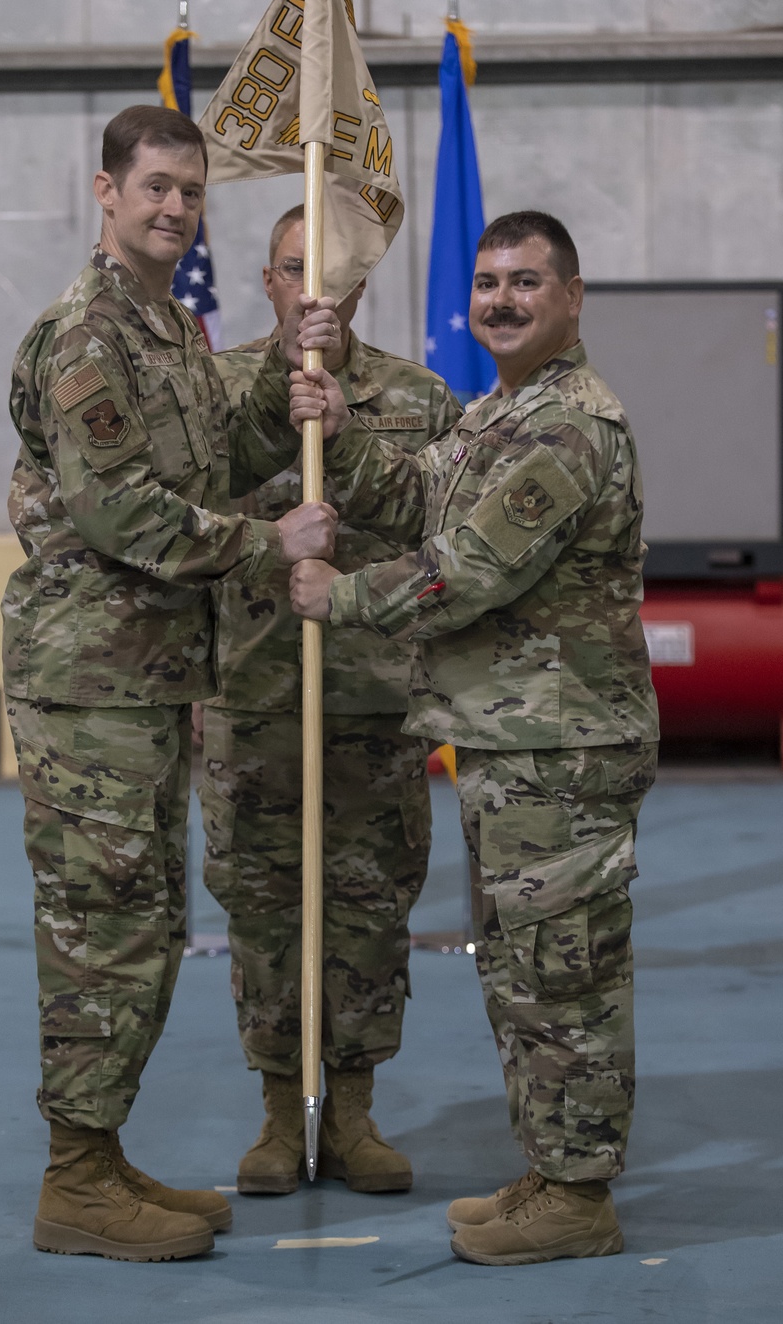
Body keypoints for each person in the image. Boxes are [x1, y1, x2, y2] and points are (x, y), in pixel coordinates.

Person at [287, 211, 659, 1266]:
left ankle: (579, 1197)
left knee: (563, 972)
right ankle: (550, 1168)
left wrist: (341, 597)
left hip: (562, 747)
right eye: (487, 281)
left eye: (525, 282)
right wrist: (342, 428)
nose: (499, 298)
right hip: (515, 740)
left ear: (572, 297)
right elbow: (417, 498)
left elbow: (469, 570)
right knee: (521, 967)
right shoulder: (501, 411)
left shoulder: (570, 427)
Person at [1, 106, 340, 1263]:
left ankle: (100, 1159)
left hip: (147, 682)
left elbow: (200, 464)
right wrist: (270, 546)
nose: (173, 208)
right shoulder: (85, 336)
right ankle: (74, 1181)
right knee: (102, 928)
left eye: (189, 192)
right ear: (104, 190)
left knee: (144, 923)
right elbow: (122, 512)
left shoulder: (173, 333)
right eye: (152, 187)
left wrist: (281, 402)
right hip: (90, 687)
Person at [199, 204, 462, 1196]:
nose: (314, 287)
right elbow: (189, 512)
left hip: (373, 702)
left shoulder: (417, 397)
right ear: (266, 282)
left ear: (360, 288)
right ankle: (278, 1112)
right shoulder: (216, 391)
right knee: (264, 912)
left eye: (334, 271)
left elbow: (445, 535)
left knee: (367, 912)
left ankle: (351, 1113)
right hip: (253, 698)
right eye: (292, 268)